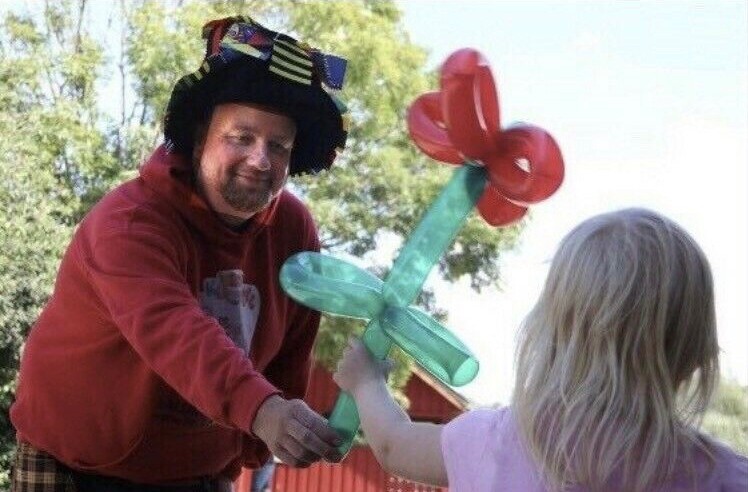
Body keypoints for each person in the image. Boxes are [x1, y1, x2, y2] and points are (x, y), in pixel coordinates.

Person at [10, 14, 350, 491]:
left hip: (196, 473)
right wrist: (263, 409)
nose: (260, 159)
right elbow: (174, 331)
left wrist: (256, 443)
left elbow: (293, 350)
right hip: (73, 462)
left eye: (279, 146)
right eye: (242, 137)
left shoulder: (294, 231)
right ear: (198, 139)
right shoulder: (129, 221)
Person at [334, 208, 748, 491]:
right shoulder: (725, 477)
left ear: (549, 332)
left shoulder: (493, 441)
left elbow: (393, 444)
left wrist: (366, 381)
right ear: (697, 351)